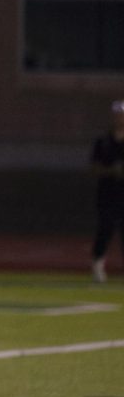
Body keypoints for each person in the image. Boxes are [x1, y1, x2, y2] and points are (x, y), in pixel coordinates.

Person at [90, 100, 124, 283]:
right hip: (108, 194)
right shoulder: (104, 142)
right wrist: (112, 171)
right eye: (118, 114)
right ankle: (97, 264)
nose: (120, 118)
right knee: (105, 229)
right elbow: (94, 167)